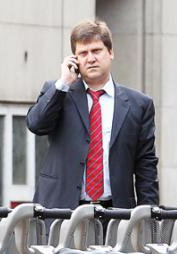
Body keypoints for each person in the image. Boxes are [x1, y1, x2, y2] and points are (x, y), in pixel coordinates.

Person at [27, 19, 159, 209]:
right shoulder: (58, 92)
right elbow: (36, 125)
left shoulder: (139, 104)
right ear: (75, 59)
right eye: (83, 53)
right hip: (61, 211)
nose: (90, 58)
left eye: (96, 51)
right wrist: (64, 82)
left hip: (116, 213)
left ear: (111, 52)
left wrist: (149, 217)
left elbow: (146, 164)